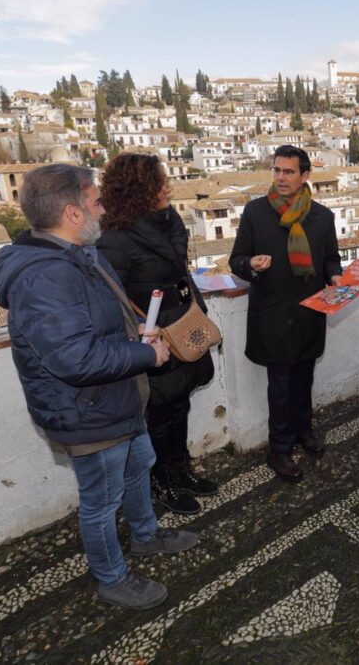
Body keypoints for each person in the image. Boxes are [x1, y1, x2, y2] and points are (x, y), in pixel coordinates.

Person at [0, 164, 197, 610]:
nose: (104, 209)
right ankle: (112, 577)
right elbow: (75, 358)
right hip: (87, 411)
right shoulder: (44, 276)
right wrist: (148, 355)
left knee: (141, 463)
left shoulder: (81, 253)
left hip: (117, 397)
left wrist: (139, 326)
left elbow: (104, 319)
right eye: (96, 202)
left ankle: (145, 536)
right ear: (72, 212)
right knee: (101, 502)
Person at [97, 153, 218, 515]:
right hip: (154, 336)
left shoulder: (169, 222)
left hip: (184, 326)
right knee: (160, 412)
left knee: (180, 404)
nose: (168, 186)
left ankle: (181, 470)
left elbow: (179, 272)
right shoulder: (115, 240)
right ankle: (161, 481)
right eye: (159, 181)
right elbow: (112, 298)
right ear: (138, 189)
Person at [229, 145, 342, 483]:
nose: (280, 177)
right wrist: (250, 264)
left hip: (309, 313)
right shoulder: (255, 213)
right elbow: (236, 260)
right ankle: (279, 448)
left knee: (304, 379)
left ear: (305, 176)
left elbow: (330, 259)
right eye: (277, 170)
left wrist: (336, 277)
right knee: (279, 386)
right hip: (273, 316)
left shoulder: (323, 217)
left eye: (288, 172)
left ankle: (303, 432)